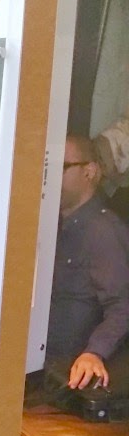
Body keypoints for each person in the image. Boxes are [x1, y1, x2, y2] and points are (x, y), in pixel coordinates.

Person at [46, 134, 129, 389]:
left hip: (70, 376)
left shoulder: (103, 231)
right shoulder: (52, 225)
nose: (50, 177)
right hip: (42, 367)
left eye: (61, 167)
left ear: (89, 172)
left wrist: (94, 353)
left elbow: (122, 306)